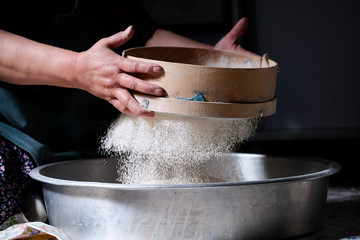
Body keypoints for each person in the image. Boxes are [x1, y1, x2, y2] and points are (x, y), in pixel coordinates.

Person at [0, 0, 254, 225]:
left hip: (90, 140)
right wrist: (77, 68)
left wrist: (213, 61)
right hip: (14, 137)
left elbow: (141, 35)